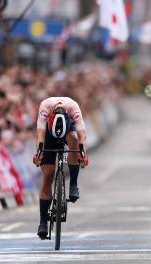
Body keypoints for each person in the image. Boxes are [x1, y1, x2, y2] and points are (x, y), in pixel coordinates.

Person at [32, 97, 89, 240]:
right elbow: (40, 136)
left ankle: (74, 184)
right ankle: (43, 222)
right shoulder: (45, 108)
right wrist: (38, 153)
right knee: (48, 175)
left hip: (68, 129)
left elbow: (82, 136)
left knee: (74, 139)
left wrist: (83, 153)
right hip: (49, 134)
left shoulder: (73, 108)